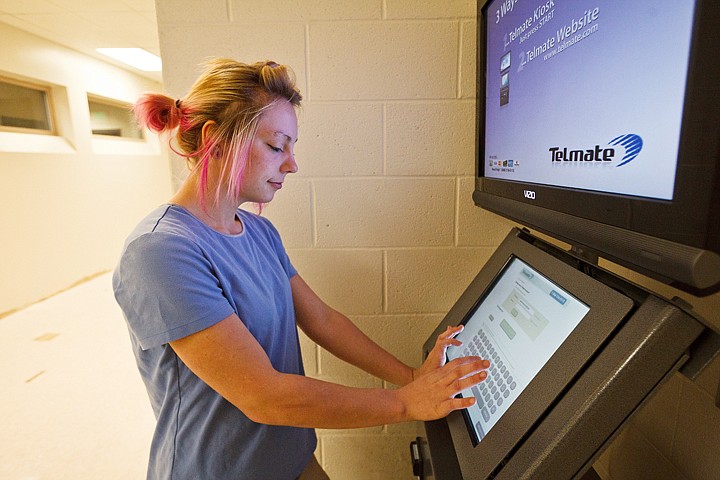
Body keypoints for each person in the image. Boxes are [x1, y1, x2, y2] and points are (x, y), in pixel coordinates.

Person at [112, 58, 489, 480]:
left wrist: (413, 377)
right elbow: (264, 396)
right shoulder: (160, 252)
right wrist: (406, 403)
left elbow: (323, 320)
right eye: (276, 146)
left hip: (289, 455)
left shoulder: (258, 231)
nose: (291, 164)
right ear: (214, 140)